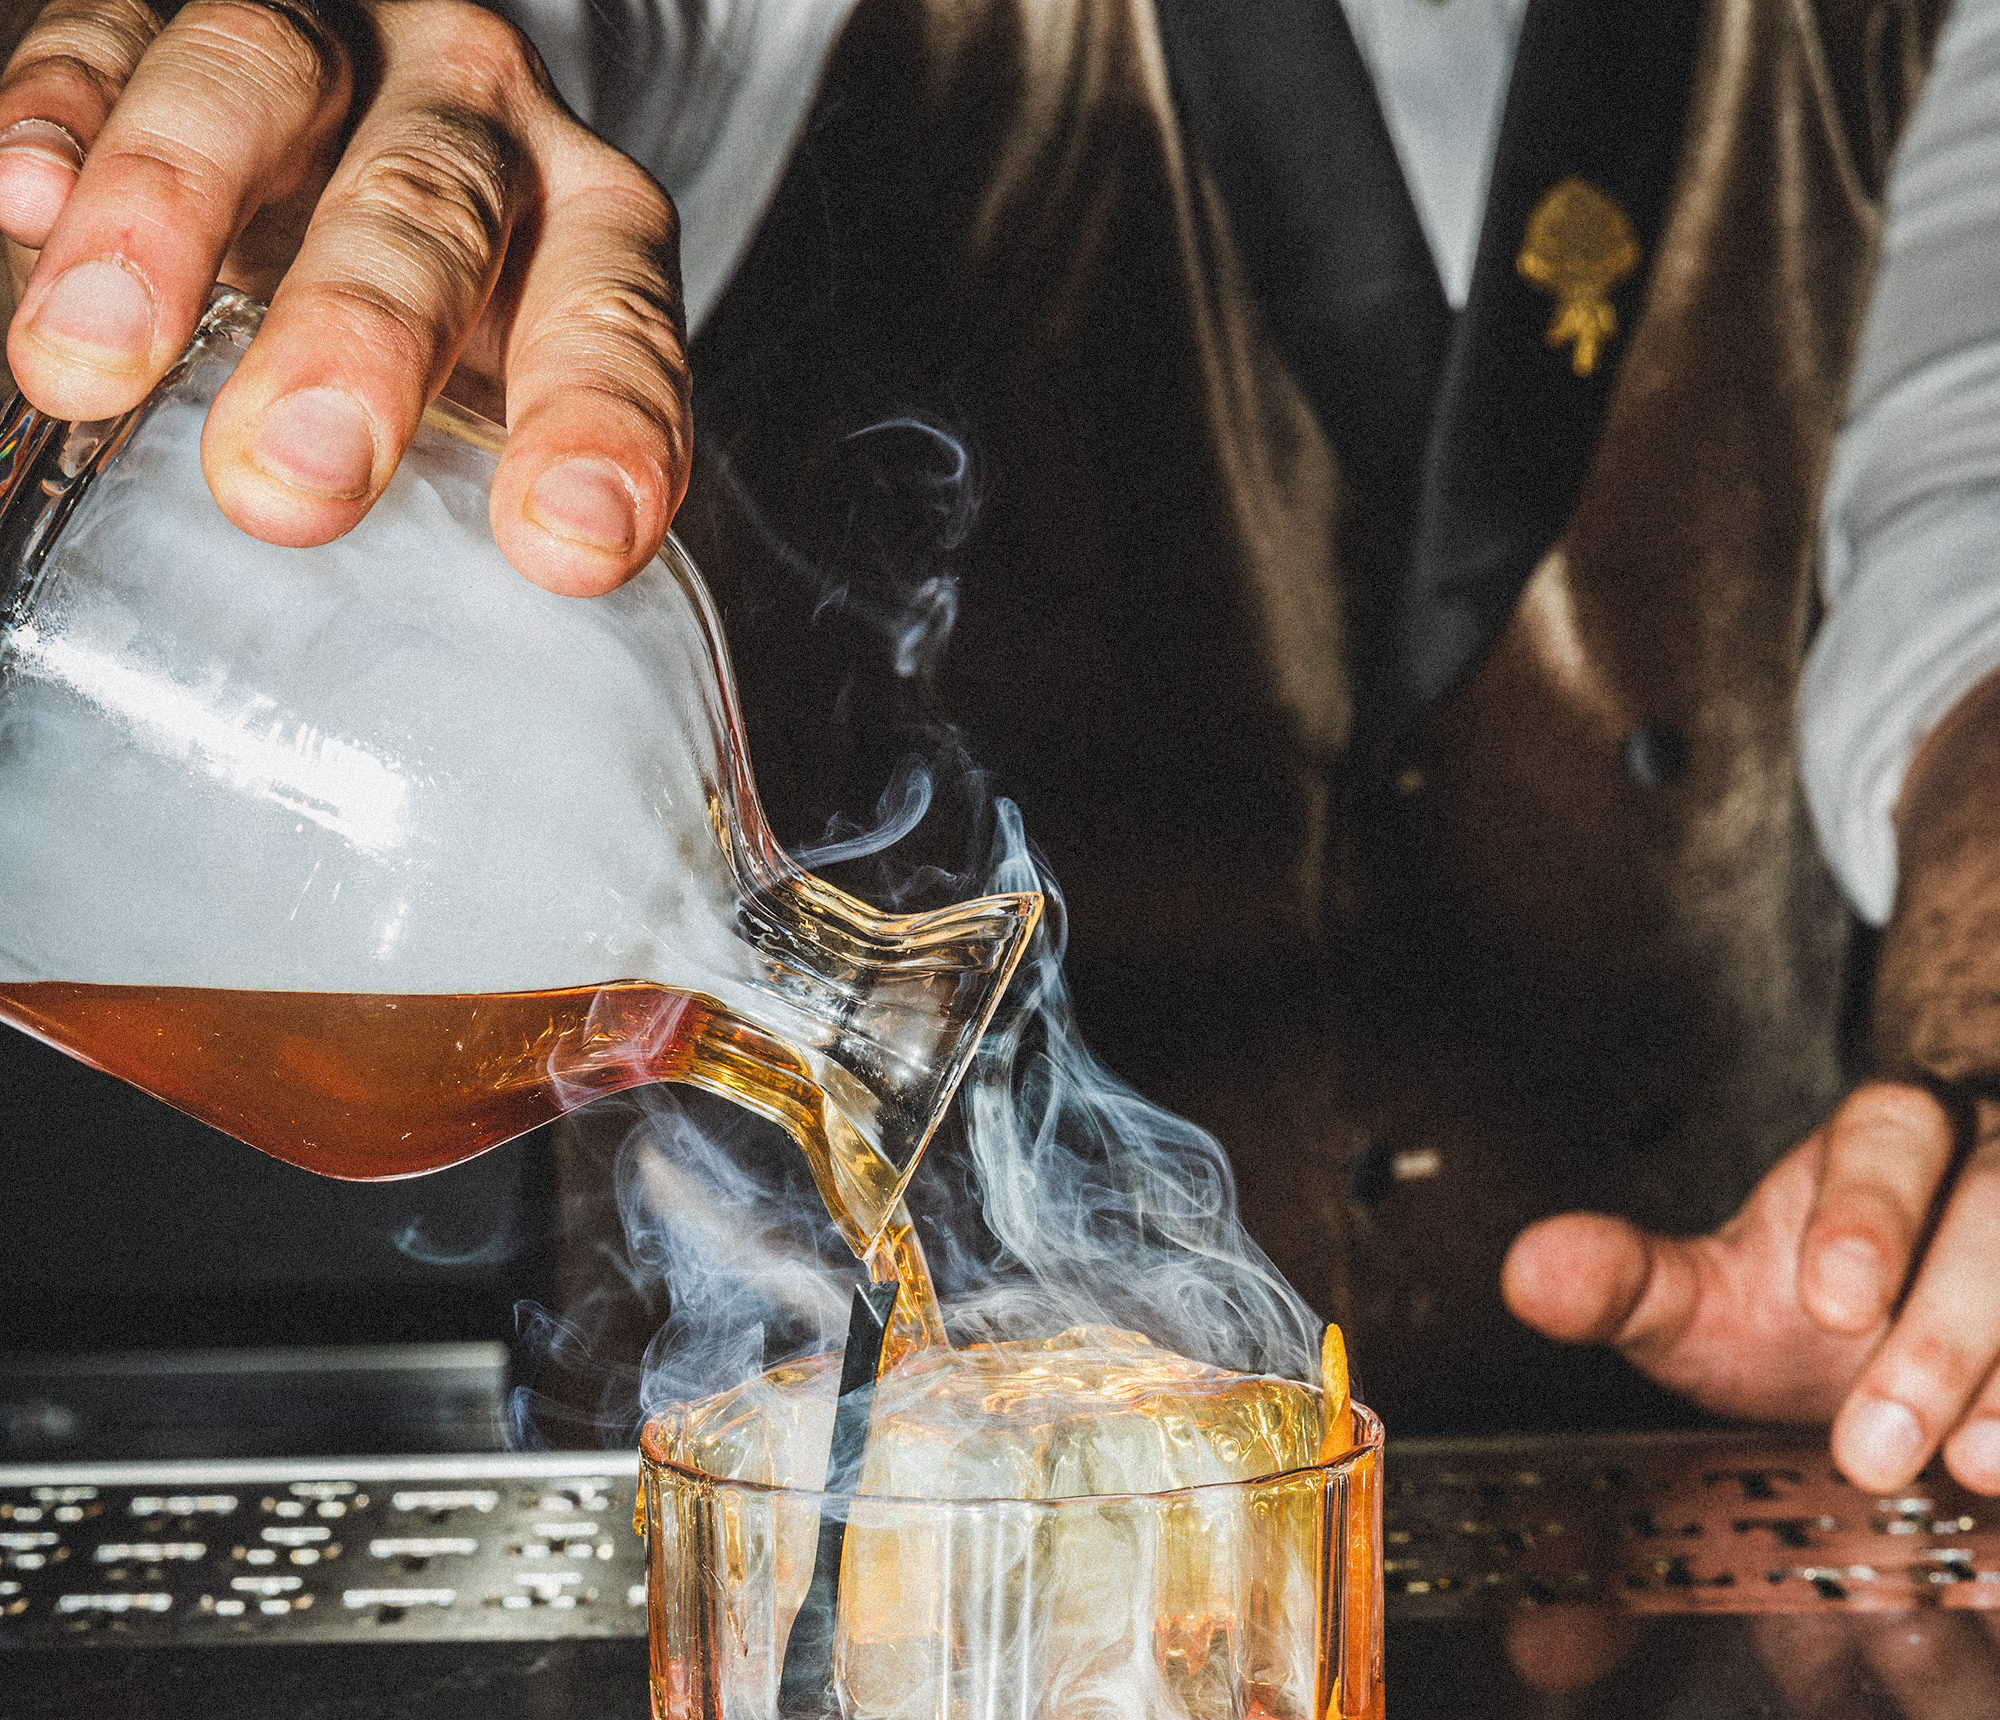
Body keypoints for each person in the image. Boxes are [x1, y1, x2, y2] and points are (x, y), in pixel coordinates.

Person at [1, 0, 1997, 1503]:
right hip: (786, 1604)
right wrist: (230, 100)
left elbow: (1974, 572)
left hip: (1669, 1526)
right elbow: (465, 46)